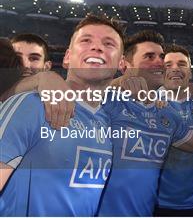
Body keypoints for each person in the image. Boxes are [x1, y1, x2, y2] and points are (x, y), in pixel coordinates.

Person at [0, 15, 124, 216]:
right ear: (67, 58)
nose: (97, 47)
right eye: (86, 41)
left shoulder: (106, 120)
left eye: (108, 43)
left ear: (121, 63)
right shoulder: (31, 105)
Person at [97, 31, 193, 216]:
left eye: (160, 57)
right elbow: (76, 90)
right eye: (149, 56)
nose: (160, 63)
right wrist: (43, 79)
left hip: (155, 209)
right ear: (124, 63)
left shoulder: (166, 114)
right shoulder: (107, 100)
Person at [154, 44, 193, 217]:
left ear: (190, 71)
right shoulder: (148, 103)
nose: (175, 69)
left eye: (181, 64)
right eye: (168, 65)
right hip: (156, 204)